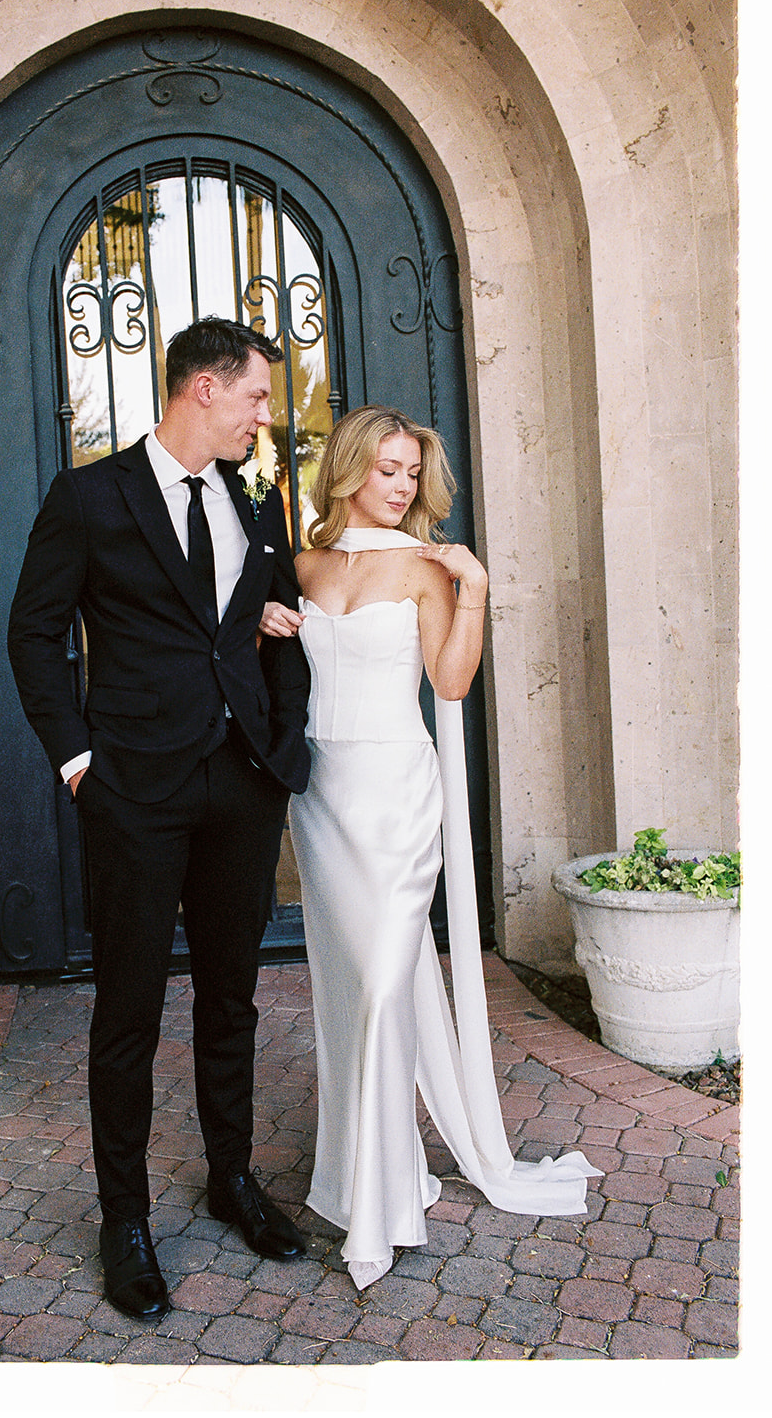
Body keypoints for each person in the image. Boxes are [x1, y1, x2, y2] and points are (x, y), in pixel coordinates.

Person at [7, 317, 312, 1322]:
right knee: (127, 1010)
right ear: (202, 391)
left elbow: (254, 621)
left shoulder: (251, 497)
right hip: (133, 789)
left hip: (239, 783)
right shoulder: (90, 496)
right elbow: (33, 630)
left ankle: (231, 1179)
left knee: (232, 996)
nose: (265, 415)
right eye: (256, 397)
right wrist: (79, 759)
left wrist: (270, 659)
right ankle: (124, 1219)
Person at [260, 405, 600, 1289]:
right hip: (323, 796)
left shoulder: (424, 568)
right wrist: (268, 627)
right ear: (348, 472)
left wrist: (476, 585)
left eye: (412, 472)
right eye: (388, 470)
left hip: (399, 793)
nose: (403, 485)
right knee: (346, 992)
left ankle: (379, 1214)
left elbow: (450, 680)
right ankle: (362, 1178)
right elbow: (268, 676)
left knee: (381, 986)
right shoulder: (302, 564)